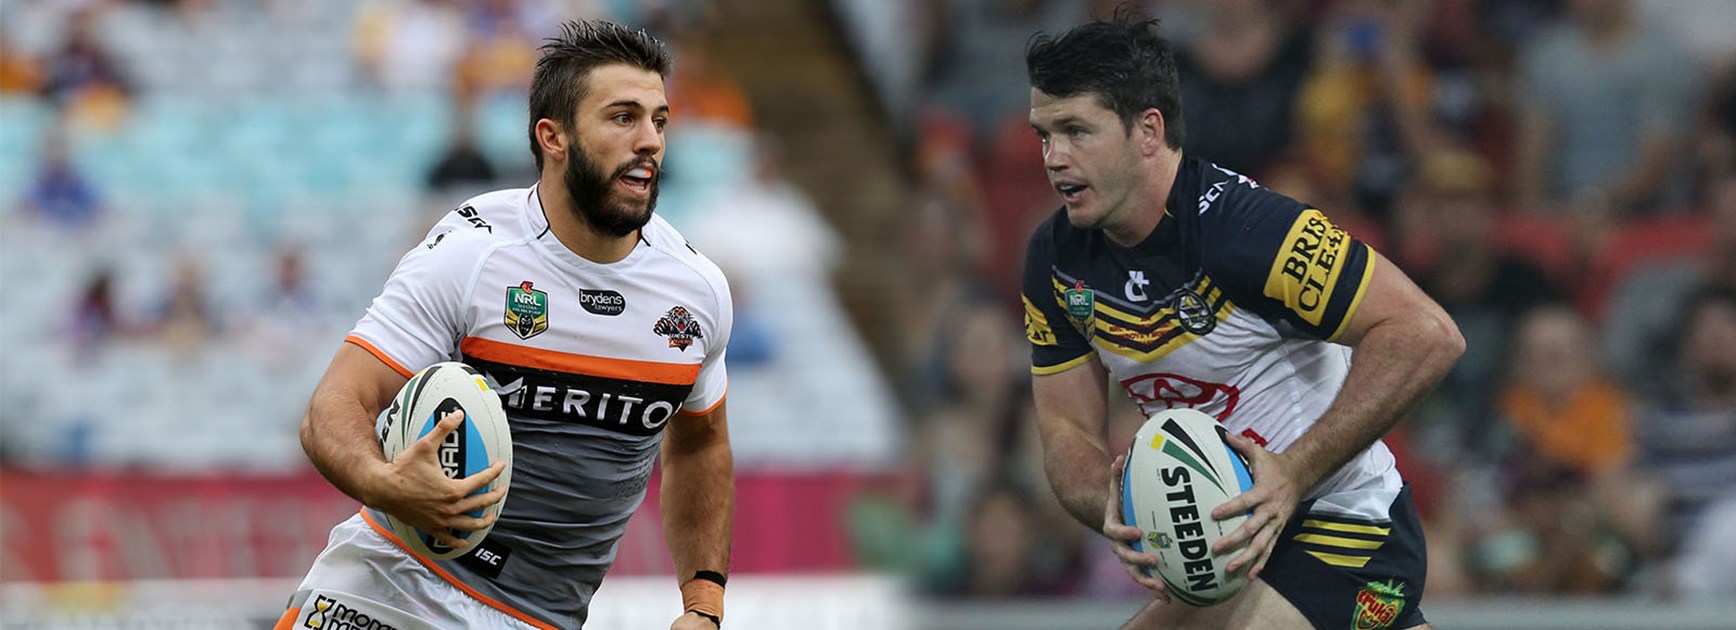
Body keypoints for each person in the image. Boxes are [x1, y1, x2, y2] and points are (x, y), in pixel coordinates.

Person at [286, 21, 733, 630]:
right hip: (393, 584)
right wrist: (384, 481)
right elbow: (334, 404)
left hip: (543, 617)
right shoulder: (471, 254)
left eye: (659, 120)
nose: (650, 141)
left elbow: (701, 442)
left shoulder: (696, 291)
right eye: (623, 117)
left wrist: (704, 603)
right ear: (554, 136)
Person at [1019, 15, 1463, 629]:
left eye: (1076, 131)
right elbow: (1067, 429)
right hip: (1232, 545)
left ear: (1148, 131)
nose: (1054, 158)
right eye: (1044, 135)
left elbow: (1426, 334)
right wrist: (1113, 506)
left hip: (1343, 530)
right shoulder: (1055, 260)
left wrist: (1294, 472)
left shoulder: (1248, 229)